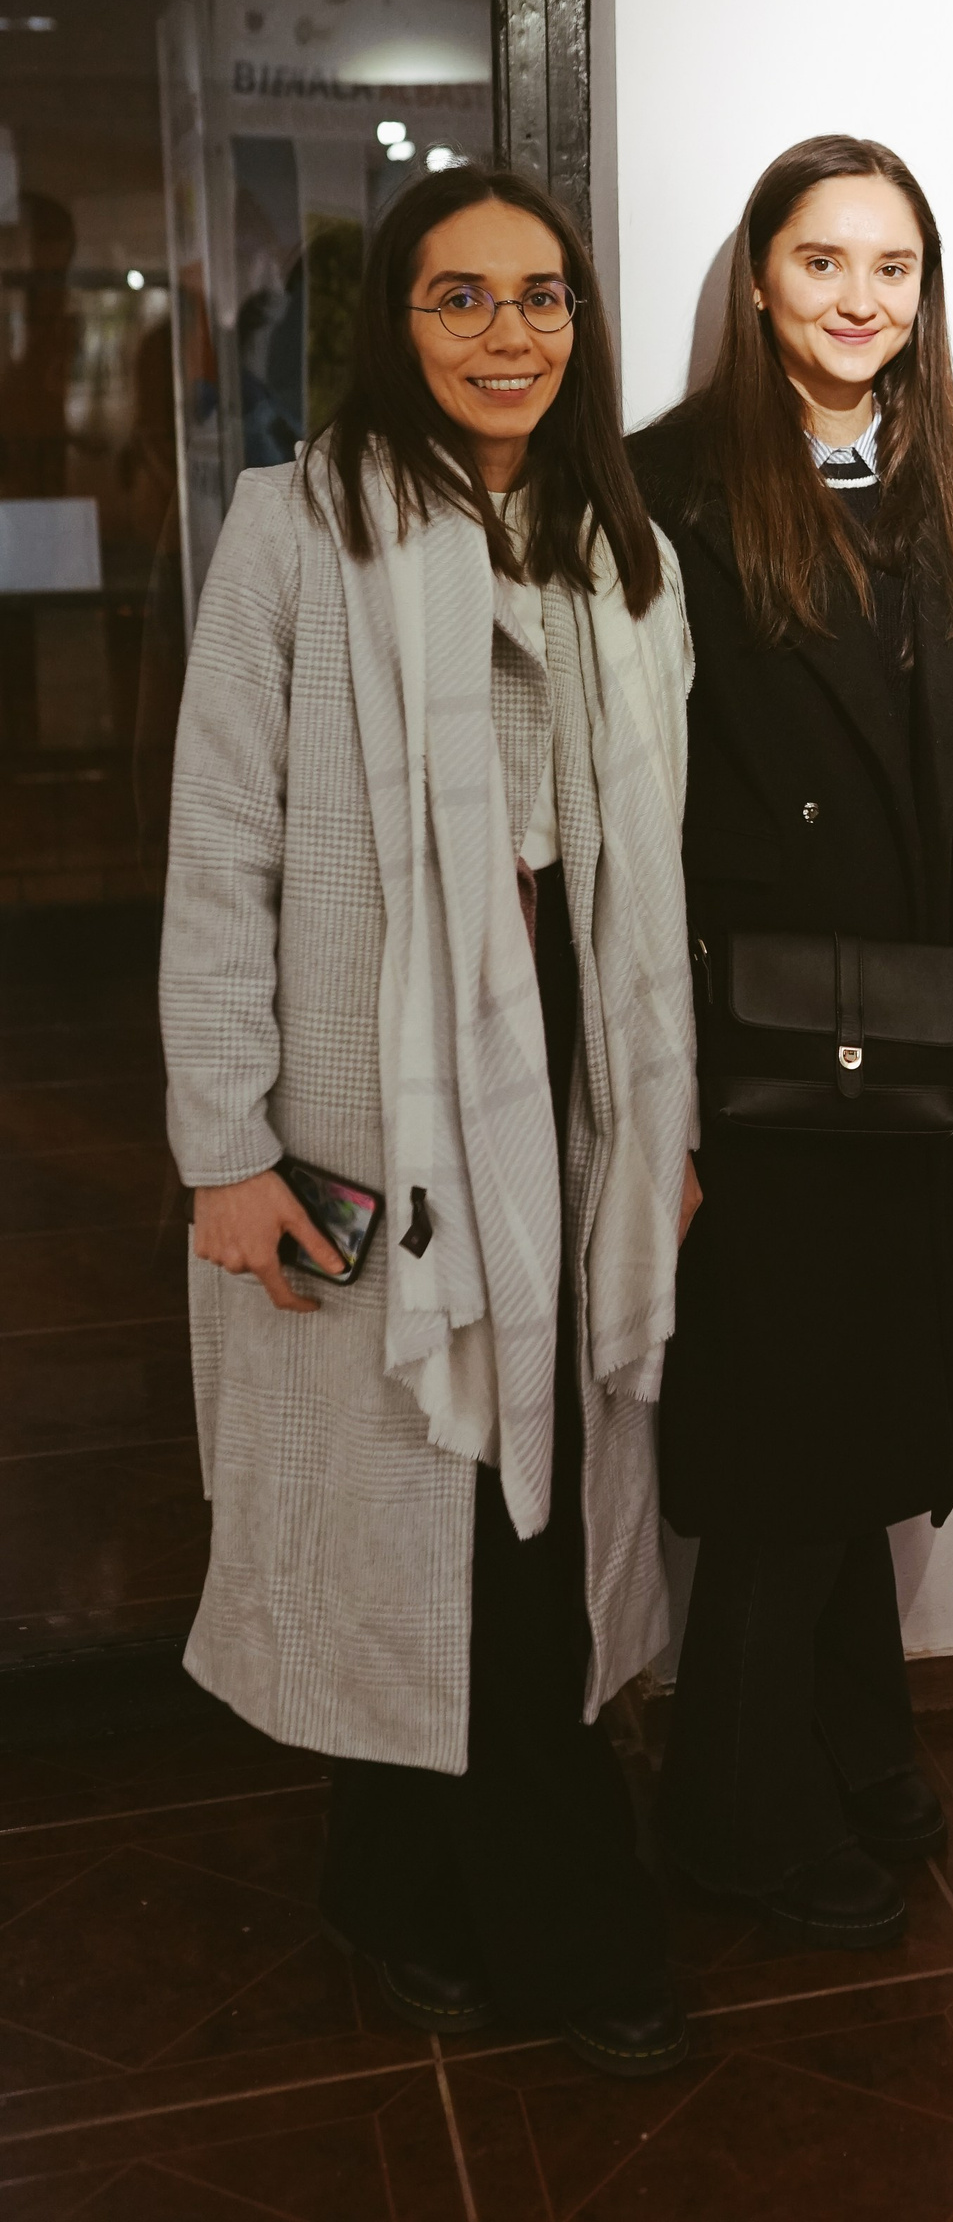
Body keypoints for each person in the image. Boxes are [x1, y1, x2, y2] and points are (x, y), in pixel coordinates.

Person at [161, 164, 702, 2076]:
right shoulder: (294, 528)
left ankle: (391, 1883)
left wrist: (666, 1128)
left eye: (539, 296)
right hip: (366, 1088)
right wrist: (225, 1148)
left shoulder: (618, 547)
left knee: (513, 1505)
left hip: (568, 1066)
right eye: (459, 298)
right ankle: (575, 1930)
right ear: (395, 325)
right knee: (430, 1495)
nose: (505, 334)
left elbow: (660, 869)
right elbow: (221, 850)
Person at [628, 132, 953, 1952]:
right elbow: (626, 812)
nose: (859, 299)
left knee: (874, 1413)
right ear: (760, 279)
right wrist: (653, 1094)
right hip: (746, 1040)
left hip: (918, 1027)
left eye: (895, 268)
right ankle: (736, 1817)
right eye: (823, 262)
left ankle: (854, 1742)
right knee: (776, 1439)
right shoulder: (660, 489)